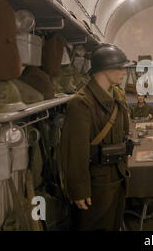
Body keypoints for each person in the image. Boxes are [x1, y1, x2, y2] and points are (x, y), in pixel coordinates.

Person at [59, 44, 131, 231]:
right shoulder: (82, 103)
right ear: (104, 68)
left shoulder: (115, 95)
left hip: (117, 175)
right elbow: (75, 150)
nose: (124, 72)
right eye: (119, 67)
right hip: (96, 183)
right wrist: (78, 189)